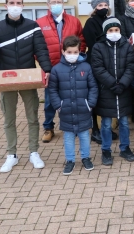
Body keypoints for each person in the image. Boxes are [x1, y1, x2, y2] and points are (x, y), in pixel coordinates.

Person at [0, 0, 51, 173]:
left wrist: (47, 70)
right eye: (12, 2)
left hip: (28, 79)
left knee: (32, 118)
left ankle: (34, 152)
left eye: (18, 3)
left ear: (23, 5)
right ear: (5, 5)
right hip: (5, 79)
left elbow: (41, 50)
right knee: (9, 119)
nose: (15, 6)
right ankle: (12, 155)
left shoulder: (33, 26)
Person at [37, 0, 86, 143]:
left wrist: (78, 59)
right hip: (50, 67)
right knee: (50, 100)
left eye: (59, 2)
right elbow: (37, 47)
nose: (56, 4)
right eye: (53, 2)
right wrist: (44, 66)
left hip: (71, 67)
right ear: (48, 5)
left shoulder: (74, 21)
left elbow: (81, 42)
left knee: (73, 97)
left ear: (63, 4)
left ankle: (74, 126)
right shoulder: (39, 23)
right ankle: (48, 127)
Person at [47, 36, 98, 175]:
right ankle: (70, 160)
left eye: (75, 52)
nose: (72, 55)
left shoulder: (86, 67)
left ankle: (86, 158)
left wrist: (90, 104)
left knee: (84, 136)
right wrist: (59, 105)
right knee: (68, 137)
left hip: (83, 109)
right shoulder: (56, 70)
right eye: (69, 52)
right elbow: (52, 90)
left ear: (79, 51)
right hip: (66, 110)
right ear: (63, 51)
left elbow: (93, 87)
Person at [91, 18, 134, 165]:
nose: (114, 33)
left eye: (116, 30)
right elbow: (98, 68)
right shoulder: (98, 47)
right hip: (107, 90)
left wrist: (122, 83)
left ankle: (125, 148)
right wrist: (112, 83)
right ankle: (106, 150)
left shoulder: (127, 46)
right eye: (110, 31)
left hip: (123, 90)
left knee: (124, 122)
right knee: (105, 124)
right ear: (105, 32)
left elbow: (131, 66)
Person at [82, 0, 116, 144]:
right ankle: (95, 129)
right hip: (95, 63)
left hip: (109, 62)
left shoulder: (110, 21)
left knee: (105, 97)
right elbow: (93, 43)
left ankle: (105, 129)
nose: (103, 7)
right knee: (94, 96)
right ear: (95, 7)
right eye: (100, 5)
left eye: (105, 5)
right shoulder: (90, 23)